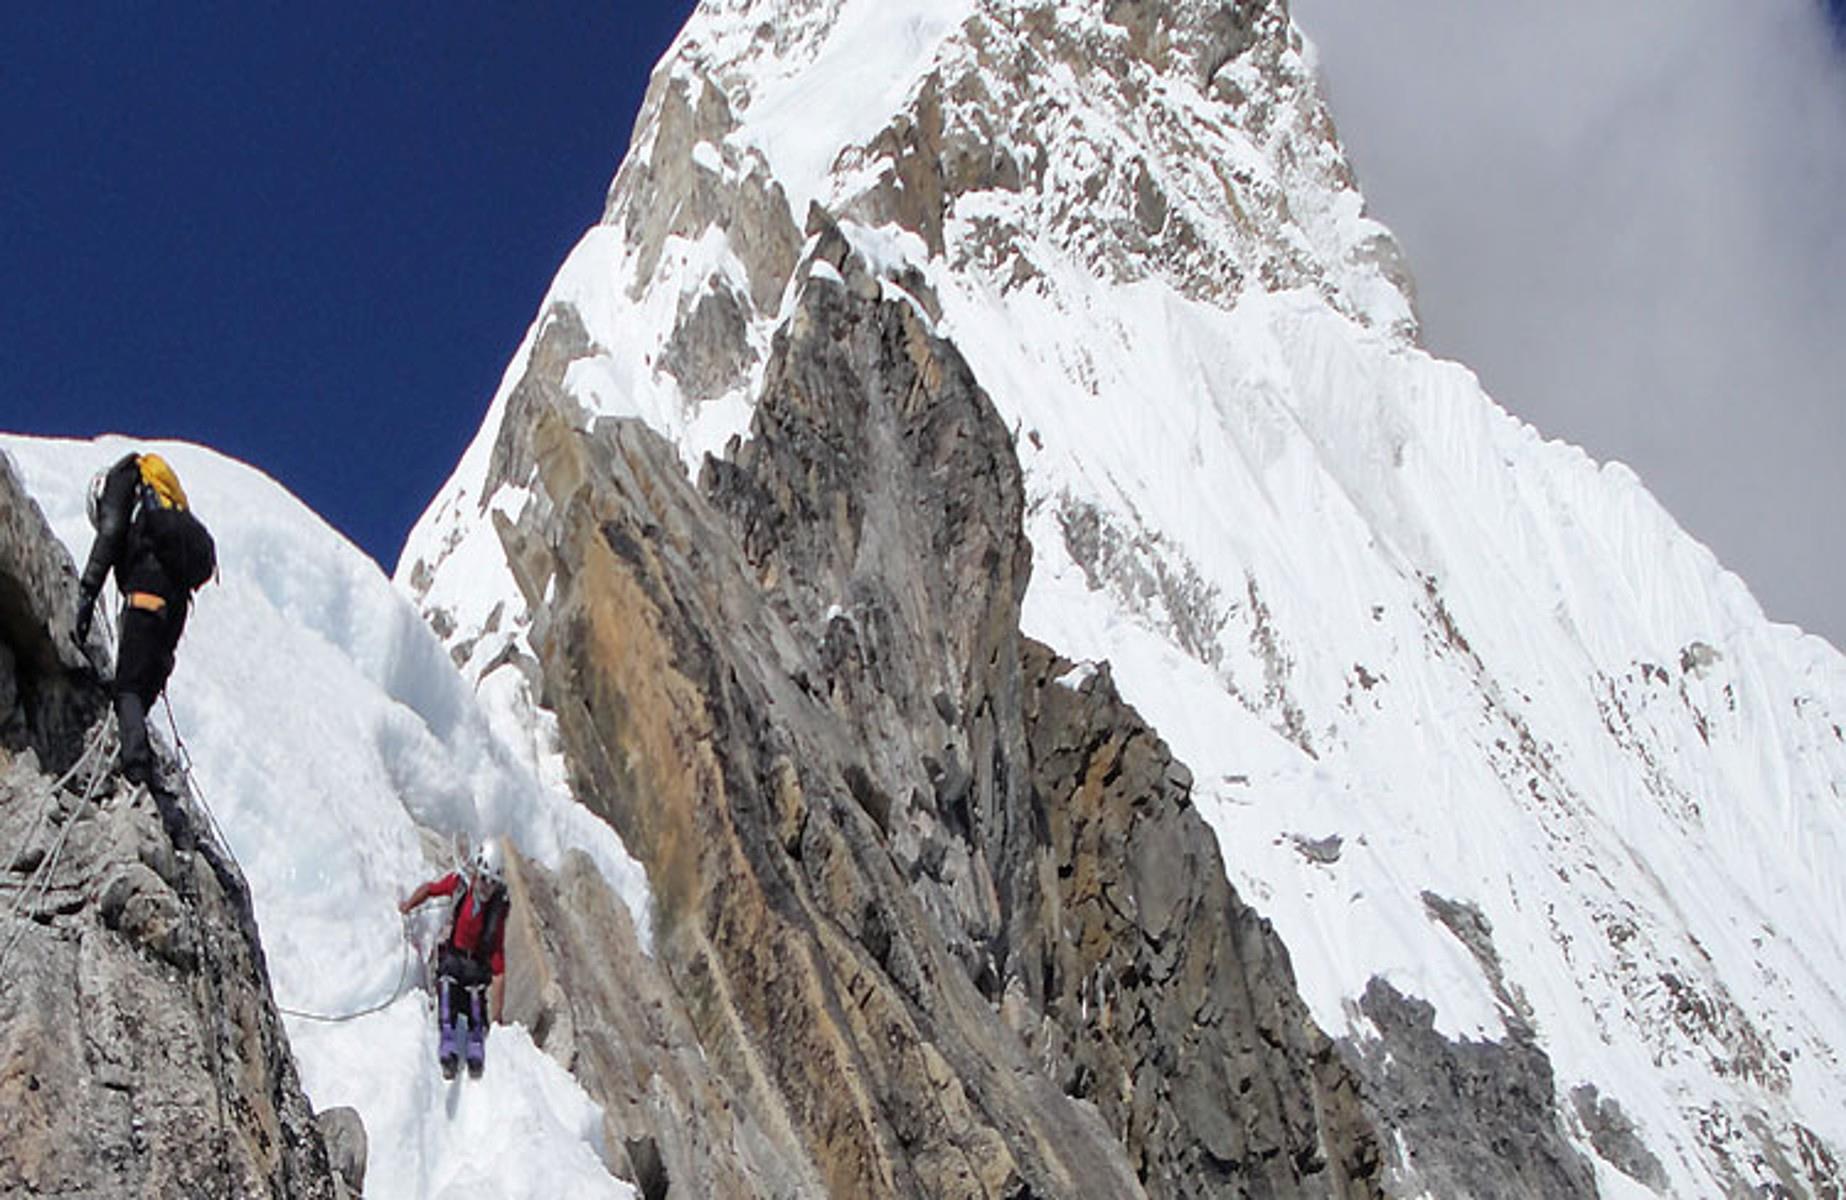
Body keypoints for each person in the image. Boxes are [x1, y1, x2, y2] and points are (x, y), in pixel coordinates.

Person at [75, 452, 215, 839]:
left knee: (128, 691)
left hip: (147, 594)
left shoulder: (121, 483)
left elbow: (110, 534)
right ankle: (148, 775)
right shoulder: (159, 506)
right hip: (173, 611)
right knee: (142, 692)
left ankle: (136, 775)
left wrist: (87, 594)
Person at [399, 839, 510, 1079]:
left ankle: (475, 1047)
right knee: (447, 990)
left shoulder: (496, 913)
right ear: (476, 874)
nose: (486, 887)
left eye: (491, 883)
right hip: (454, 959)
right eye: (483, 879)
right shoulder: (460, 886)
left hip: (476, 968)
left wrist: (498, 1015)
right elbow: (431, 889)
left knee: (474, 1001)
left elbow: (498, 965)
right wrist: (408, 905)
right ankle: (448, 1045)